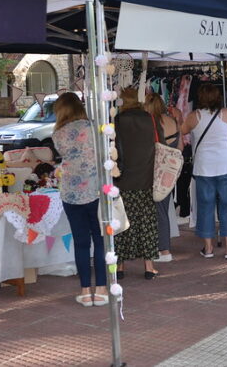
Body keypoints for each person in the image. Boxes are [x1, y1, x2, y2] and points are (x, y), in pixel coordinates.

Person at [52, 92, 107, 306]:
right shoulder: (93, 127)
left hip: (71, 193)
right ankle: (101, 289)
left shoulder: (58, 134)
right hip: (95, 190)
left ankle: (85, 291)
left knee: (81, 242)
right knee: (100, 240)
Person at [181, 83, 227, 259]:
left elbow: (182, 130)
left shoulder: (194, 116)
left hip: (204, 167)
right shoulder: (226, 114)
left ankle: (208, 249)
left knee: (205, 207)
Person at [114, 87, 162, 279]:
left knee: (122, 222)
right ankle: (149, 266)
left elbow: (113, 148)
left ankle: (120, 266)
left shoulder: (118, 120)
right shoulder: (150, 119)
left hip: (123, 178)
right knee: (147, 223)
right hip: (147, 178)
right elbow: (161, 145)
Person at [143, 93, 181, 263]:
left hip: (152, 171)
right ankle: (162, 248)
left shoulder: (149, 123)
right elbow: (179, 147)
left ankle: (163, 250)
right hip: (169, 172)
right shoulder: (172, 121)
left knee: (156, 211)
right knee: (163, 209)